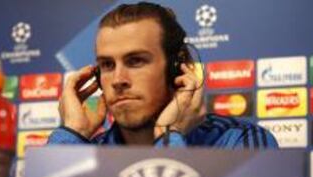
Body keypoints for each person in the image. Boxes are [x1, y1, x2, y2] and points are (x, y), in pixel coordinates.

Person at [48, 2, 278, 148]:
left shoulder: (241, 142)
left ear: (177, 67)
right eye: (107, 64)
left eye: (136, 61)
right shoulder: (85, 155)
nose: (118, 80)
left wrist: (168, 136)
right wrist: (73, 133)